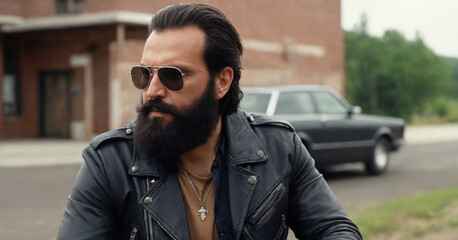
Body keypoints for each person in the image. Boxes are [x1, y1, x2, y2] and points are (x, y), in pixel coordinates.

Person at [57, 3, 362, 240]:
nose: (152, 90)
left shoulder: (279, 146)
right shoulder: (108, 161)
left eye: (172, 75)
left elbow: (335, 229)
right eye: (144, 74)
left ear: (222, 82)